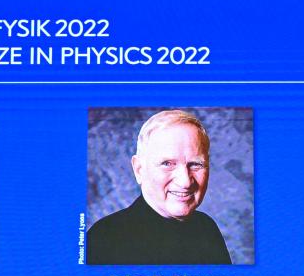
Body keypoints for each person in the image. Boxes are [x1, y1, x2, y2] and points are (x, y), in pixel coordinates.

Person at [87, 110, 232, 265]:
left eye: (196, 164)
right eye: (167, 164)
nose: (185, 182)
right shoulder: (103, 239)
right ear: (139, 170)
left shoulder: (206, 229)